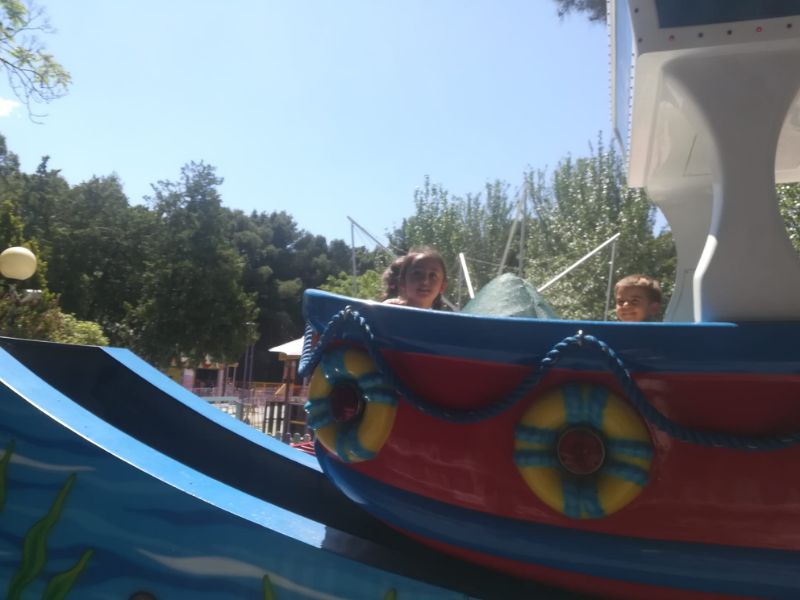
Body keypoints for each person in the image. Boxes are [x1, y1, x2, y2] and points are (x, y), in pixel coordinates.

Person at [382, 246, 447, 309]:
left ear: (442, 286)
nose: (425, 281)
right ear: (402, 281)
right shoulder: (389, 309)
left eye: (432, 275)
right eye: (417, 273)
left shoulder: (442, 316)